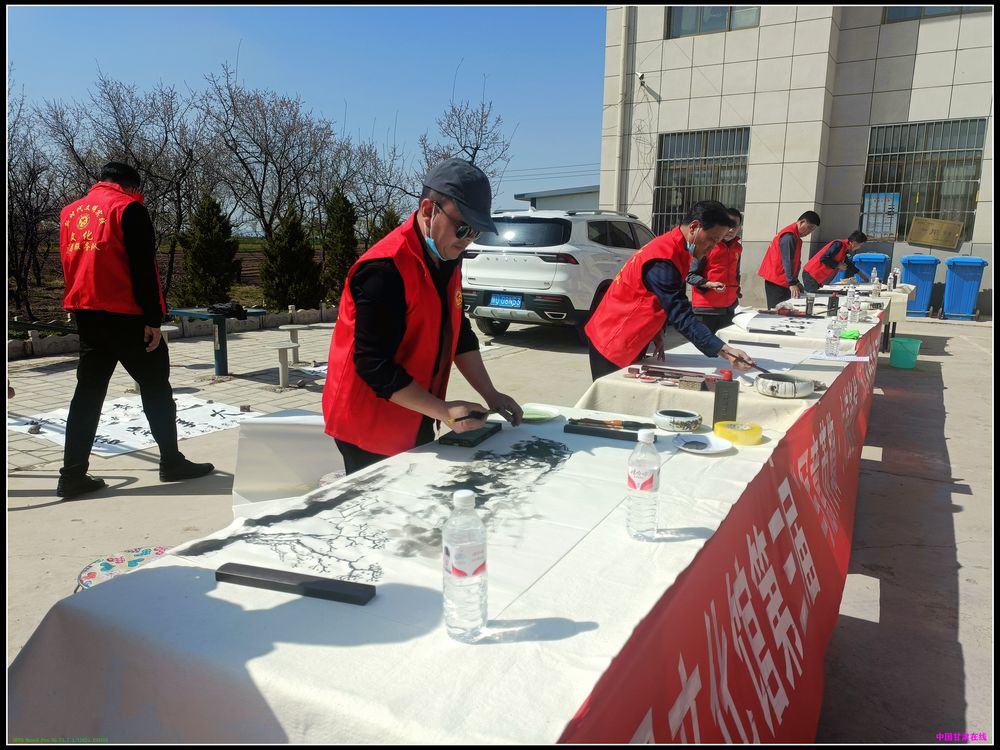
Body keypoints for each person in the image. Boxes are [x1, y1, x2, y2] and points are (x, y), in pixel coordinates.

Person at [322, 158, 523, 475]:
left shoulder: (447, 256)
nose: (468, 240)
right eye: (463, 228)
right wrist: (444, 410)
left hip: (416, 411)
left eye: (476, 232)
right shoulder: (383, 269)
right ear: (429, 210)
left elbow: (458, 332)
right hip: (368, 424)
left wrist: (491, 394)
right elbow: (373, 364)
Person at [57, 161, 214, 499]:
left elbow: (71, 263)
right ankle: (171, 462)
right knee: (155, 387)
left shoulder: (70, 213)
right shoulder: (128, 208)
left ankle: (72, 475)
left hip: (87, 313)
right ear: (130, 186)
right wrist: (153, 320)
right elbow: (143, 267)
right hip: (126, 315)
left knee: (87, 395)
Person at [584, 200, 756, 381]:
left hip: (632, 333)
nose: (712, 248)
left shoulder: (677, 249)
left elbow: (657, 297)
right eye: (712, 240)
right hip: (613, 336)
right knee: (612, 393)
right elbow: (679, 313)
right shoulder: (663, 257)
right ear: (694, 227)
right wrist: (726, 351)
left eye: (718, 242)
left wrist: (656, 330)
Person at [687, 207, 744, 334]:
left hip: (729, 308)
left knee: (725, 344)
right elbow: (689, 275)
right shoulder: (705, 245)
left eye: (735, 226)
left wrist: (736, 291)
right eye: (728, 225)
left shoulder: (737, 247)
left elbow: (736, 273)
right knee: (704, 344)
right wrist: (709, 284)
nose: (731, 230)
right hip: (706, 309)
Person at [757, 210, 821, 309]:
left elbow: (794, 262)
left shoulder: (794, 236)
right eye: (809, 228)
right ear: (801, 222)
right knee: (777, 311)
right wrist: (792, 283)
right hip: (777, 281)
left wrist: (796, 281)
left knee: (785, 310)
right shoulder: (789, 236)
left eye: (812, 230)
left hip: (783, 280)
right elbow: (788, 261)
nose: (808, 232)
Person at [801, 231, 869, 292]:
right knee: (812, 296)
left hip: (818, 276)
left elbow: (848, 264)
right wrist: (838, 265)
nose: (859, 247)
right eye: (860, 245)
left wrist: (862, 275)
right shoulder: (838, 244)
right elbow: (824, 258)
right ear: (854, 242)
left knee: (818, 295)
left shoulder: (845, 249)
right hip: (812, 274)